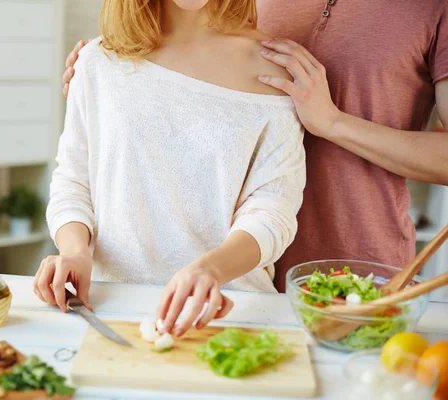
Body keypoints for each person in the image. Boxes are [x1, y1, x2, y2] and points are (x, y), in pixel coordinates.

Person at [63, 0, 448, 292]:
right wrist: (101, 95)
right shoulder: (103, 61)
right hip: (241, 281)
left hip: (357, 261)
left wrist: (333, 123)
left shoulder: (432, 8)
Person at [34, 0, 306, 336]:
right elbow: (74, 181)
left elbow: (272, 211)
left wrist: (211, 270)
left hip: (232, 315)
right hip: (109, 309)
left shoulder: (273, 70)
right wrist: (75, 252)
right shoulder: (96, 61)